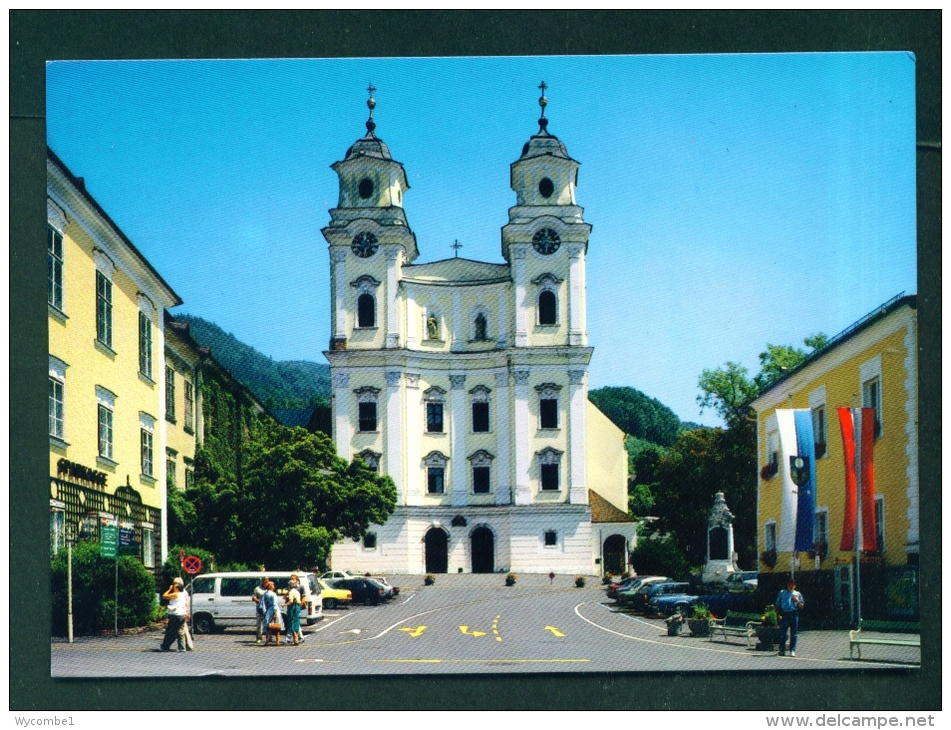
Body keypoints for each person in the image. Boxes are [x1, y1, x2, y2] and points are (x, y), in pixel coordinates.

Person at [775, 578, 805, 656]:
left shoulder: (797, 594)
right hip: (785, 613)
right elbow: (778, 604)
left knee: (794, 633)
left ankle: (792, 650)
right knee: (783, 632)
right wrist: (777, 614)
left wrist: (797, 600)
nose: (791, 587)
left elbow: (802, 606)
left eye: (792, 585)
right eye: (789, 585)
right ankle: (782, 649)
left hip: (794, 613)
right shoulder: (782, 593)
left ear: (795, 586)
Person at [159, 577, 188, 652]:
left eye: (174, 586)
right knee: (180, 631)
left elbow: (164, 596)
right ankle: (182, 647)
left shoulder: (176, 594)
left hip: (176, 615)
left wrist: (169, 589)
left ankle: (165, 646)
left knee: (170, 631)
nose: (173, 586)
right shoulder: (183, 593)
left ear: (178, 588)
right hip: (182, 614)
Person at [262, 580, 284, 647]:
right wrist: (275, 612)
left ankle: (267, 641)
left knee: (269, 626)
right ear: (271, 586)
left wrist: (265, 612)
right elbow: (274, 603)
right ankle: (277, 641)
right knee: (276, 626)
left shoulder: (265, 594)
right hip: (274, 610)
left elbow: (263, 604)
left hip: (268, 611)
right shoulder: (273, 594)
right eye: (273, 585)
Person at [284, 574, 304, 646]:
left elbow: (291, 601)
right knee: (296, 622)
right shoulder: (297, 591)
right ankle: (296, 639)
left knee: (291, 622)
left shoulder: (291, 592)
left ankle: (295, 638)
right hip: (297, 607)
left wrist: (285, 604)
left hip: (293, 608)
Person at [252, 576, 269, 645]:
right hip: (260, 608)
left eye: (268, 581)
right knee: (259, 624)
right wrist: (259, 601)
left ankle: (268, 637)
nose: (267, 583)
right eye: (266, 581)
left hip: (268, 608)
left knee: (268, 623)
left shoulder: (269, 588)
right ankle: (259, 637)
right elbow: (253, 598)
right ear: (262, 581)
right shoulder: (257, 589)